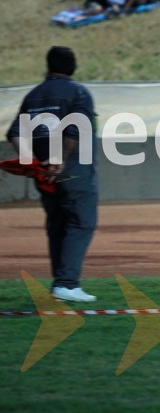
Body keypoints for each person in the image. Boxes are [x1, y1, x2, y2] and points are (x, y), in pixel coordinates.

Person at [6, 46, 98, 302]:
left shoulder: (33, 95)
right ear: (73, 66)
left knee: (57, 226)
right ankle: (67, 283)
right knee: (81, 223)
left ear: (48, 65)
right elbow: (76, 129)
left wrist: (29, 160)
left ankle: (60, 284)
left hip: (43, 175)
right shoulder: (78, 92)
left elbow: (15, 132)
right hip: (74, 172)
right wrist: (59, 158)